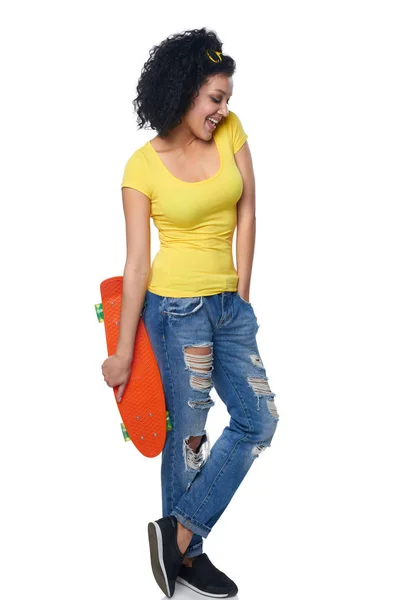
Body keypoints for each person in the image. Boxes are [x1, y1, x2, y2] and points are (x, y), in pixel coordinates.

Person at [101, 27, 279, 598]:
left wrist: (242, 292)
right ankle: (186, 556)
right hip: (175, 313)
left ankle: (175, 534)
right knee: (191, 439)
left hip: (230, 307)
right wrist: (123, 352)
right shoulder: (141, 167)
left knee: (259, 419)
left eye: (226, 99)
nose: (223, 109)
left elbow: (249, 207)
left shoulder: (230, 132)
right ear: (183, 95)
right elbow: (135, 267)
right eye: (214, 99)